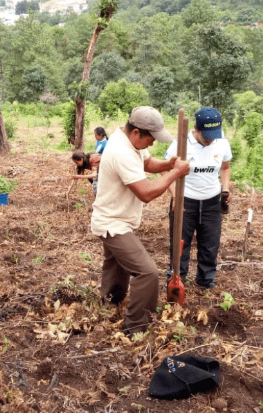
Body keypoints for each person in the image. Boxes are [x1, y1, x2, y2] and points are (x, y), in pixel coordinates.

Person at [91, 106, 190, 336]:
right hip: (112, 222)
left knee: (117, 267)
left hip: (116, 217)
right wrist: (175, 174)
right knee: (147, 273)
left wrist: (168, 165)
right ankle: (135, 327)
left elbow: (146, 163)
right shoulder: (120, 151)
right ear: (136, 133)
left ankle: (110, 305)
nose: (153, 144)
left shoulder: (127, 140)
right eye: (150, 139)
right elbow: (145, 193)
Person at [163, 107, 232, 289]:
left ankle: (206, 279)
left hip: (212, 201)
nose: (210, 140)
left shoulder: (222, 142)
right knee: (180, 243)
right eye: (206, 135)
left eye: (213, 135)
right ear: (196, 128)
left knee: (210, 243)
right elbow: (164, 168)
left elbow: (225, 168)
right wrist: (175, 196)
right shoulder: (181, 144)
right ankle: (177, 279)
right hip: (186, 200)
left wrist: (225, 190)